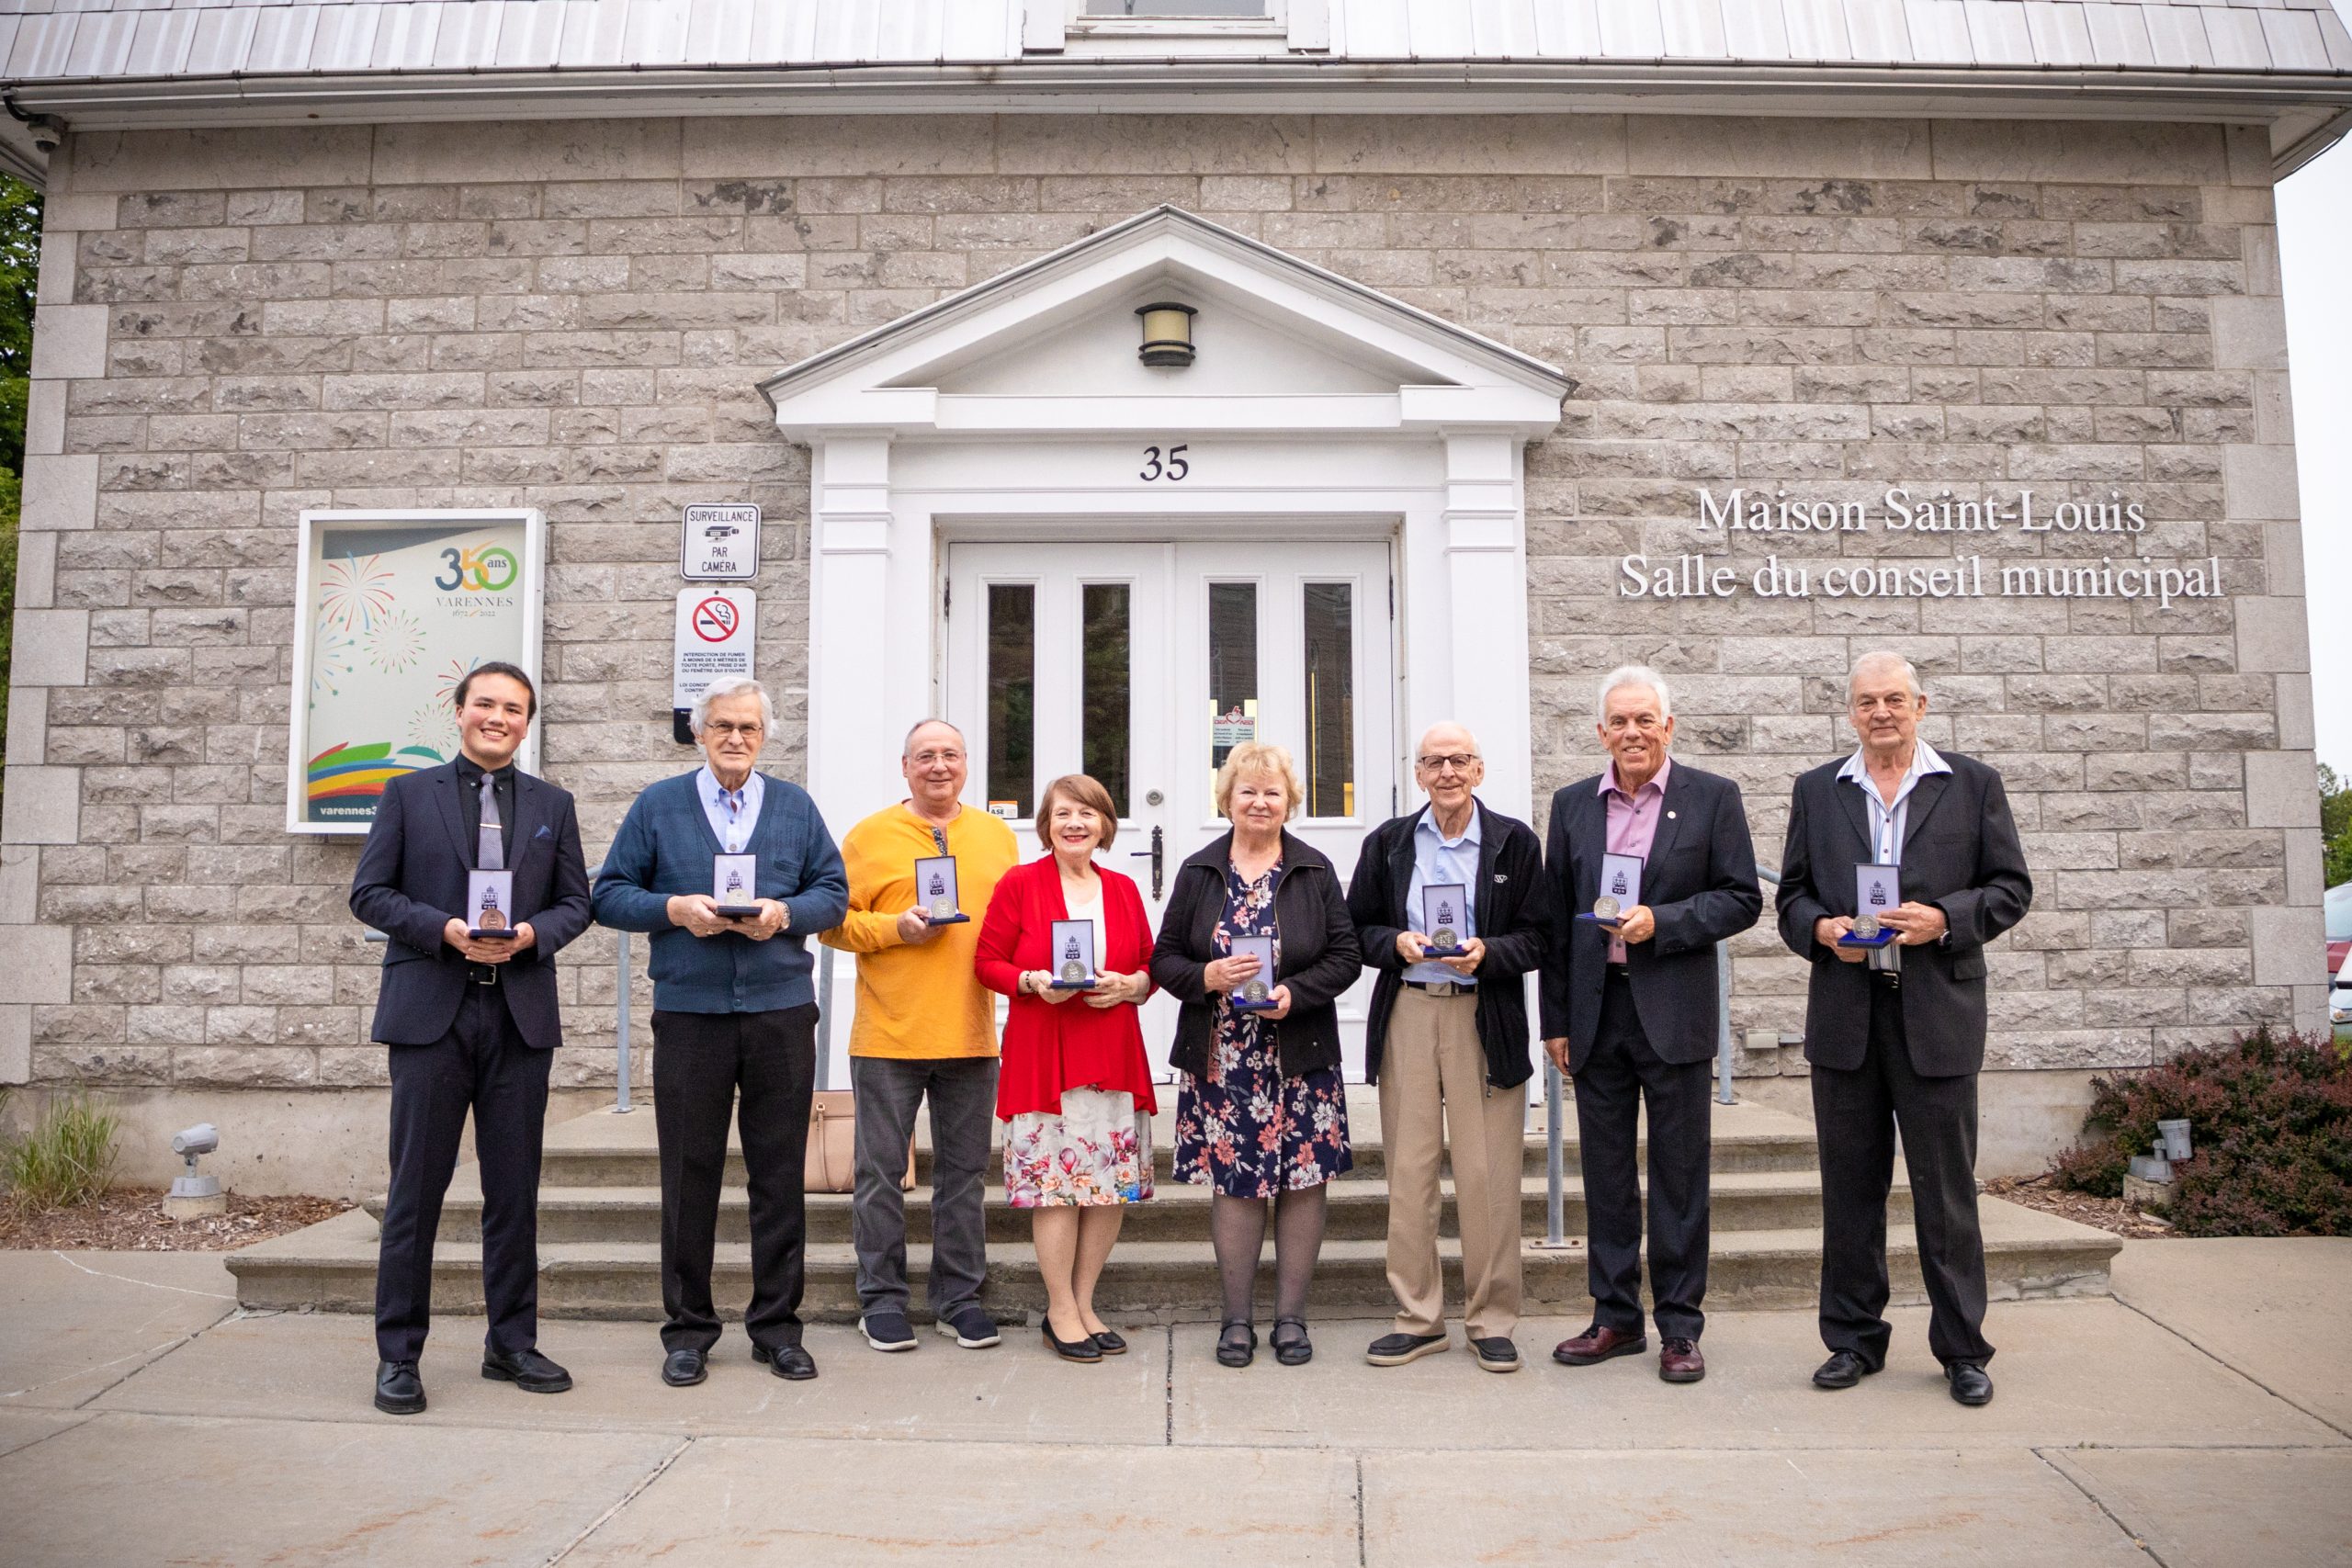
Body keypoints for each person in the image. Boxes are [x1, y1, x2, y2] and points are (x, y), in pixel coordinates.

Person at [1776, 651, 2031, 1407]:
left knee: (1945, 1194)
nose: (1880, 712)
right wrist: (1819, 929)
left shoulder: (1972, 784)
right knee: (1849, 1191)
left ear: (1920, 706)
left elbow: (2011, 888)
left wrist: (1944, 918)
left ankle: (1962, 1349)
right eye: (1867, 701)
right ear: (1850, 712)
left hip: (1937, 1015)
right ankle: (1853, 1340)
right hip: (1847, 1016)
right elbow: (1790, 895)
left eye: (1894, 699)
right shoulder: (1818, 789)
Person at [350, 661, 593, 1416]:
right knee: (415, 1192)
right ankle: (399, 1354)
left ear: (527, 723)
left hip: (518, 1017)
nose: (498, 717)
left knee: (513, 1192)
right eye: (485, 703)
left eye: (513, 708)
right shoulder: (407, 794)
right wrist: (444, 929)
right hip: (432, 1015)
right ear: (458, 712)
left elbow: (577, 902)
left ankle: (511, 1342)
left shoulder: (553, 804)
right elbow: (369, 893)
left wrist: (531, 934)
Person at [591, 675, 848, 1387]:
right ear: (700, 732)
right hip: (690, 1014)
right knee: (687, 1172)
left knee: (779, 1174)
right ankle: (688, 1329)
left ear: (764, 736)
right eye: (724, 725)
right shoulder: (658, 805)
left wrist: (785, 914)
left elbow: (833, 892)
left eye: (749, 727)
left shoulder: (794, 806)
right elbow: (608, 893)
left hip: (779, 1013)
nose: (736, 737)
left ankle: (777, 1327)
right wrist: (673, 908)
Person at [1539, 668, 1761, 1384]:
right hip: (1597, 1012)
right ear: (1601, 731)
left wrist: (1661, 921)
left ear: (1669, 726)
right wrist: (1555, 1019)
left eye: (1644, 719)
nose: (1631, 732)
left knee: (1679, 1175)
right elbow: (1555, 919)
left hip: (1675, 1011)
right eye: (1619, 721)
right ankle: (1614, 1317)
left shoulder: (1713, 797)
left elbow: (1741, 898)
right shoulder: (1572, 804)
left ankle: (1680, 1325)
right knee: (1606, 1174)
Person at [1346, 724, 1551, 1372]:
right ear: (1419, 773)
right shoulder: (1389, 842)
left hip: (1483, 1017)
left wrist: (1489, 952)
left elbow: (1539, 936)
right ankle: (1418, 1318)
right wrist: (1395, 944)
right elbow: (1355, 928)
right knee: (1409, 1174)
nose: (1447, 772)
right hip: (1409, 1010)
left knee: (1489, 1176)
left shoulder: (1514, 841)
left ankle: (1491, 1319)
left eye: (1459, 760)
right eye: (1434, 762)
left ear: (1479, 770)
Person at [1151, 741, 1362, 1369]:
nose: (1260, 802)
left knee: (1303, 1181)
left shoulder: (1314, 870)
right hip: (1224, 1059)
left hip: (1300, 1051)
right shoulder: (1199, 871)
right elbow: (1164, 958)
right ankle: (1236, 1319)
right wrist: (1207, 976)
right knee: (1237, 1184)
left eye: (1273, 792)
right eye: (1248, 791)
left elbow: (1346, 956)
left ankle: (1291, 1318)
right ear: (1228, 800)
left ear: (1289, 801)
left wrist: (1296, 994)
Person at [820, 719, 1020, 1354]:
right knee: (879, 1175)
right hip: (889, 1035)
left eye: (950, 754)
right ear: (904, 766)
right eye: (926, 755)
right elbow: (830, 922)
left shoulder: (996, 837)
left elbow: (1014, 926)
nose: (939, 765)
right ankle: (881, 1300)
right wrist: (893, 930)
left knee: (964, 1177)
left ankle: (959, 1299)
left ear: (966, 764)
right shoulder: (869, 836)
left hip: (971, 1033)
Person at [973, 773, 1158, 1363]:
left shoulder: (1123, 888)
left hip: (1111, 1051)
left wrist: (1132, 985)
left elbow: (1150, 966)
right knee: (1055, 1186)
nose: (1075, 824)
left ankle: (1084, 1303)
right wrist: (1030, 982)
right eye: (1062, 814)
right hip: (1045, 1052)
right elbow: (987, 963)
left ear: (1104, 825)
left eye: (1087, 813)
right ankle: (1059, 1310)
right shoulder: (1021, 884)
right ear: (1046, 826)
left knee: (1108, 1186)